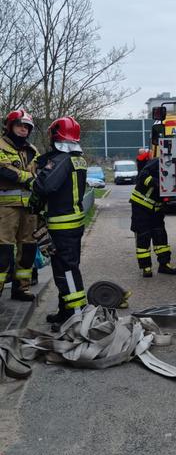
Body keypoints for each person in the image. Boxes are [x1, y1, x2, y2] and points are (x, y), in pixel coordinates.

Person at [30, 116, 88, 323]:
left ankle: (75, 317)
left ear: (55, 135)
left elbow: (46, 187)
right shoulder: (77, 159)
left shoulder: (61, 160)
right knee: (67, 269)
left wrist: (36, 179)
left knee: (67, 272)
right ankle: (66, 312)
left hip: (63, 225)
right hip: (73, 222)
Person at [0, 109, 39, 302]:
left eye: (27, 127)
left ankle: (21, 289)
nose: (23, 129)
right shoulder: (0, 146)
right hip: (5, 209)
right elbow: (6, 172)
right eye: (19, 125)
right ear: (10, 126)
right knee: (3, 252)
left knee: (29, 249)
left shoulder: (31, 150)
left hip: (29, 208)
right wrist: (31, 178)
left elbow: (44, 172)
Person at [130, 156, 176, 277]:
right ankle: (146, 267)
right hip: (141, 206)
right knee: (143, 236)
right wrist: (158, 184)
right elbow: (143, 176)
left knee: (160, 236)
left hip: (156, 208)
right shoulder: (157, 162)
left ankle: (164, 264)